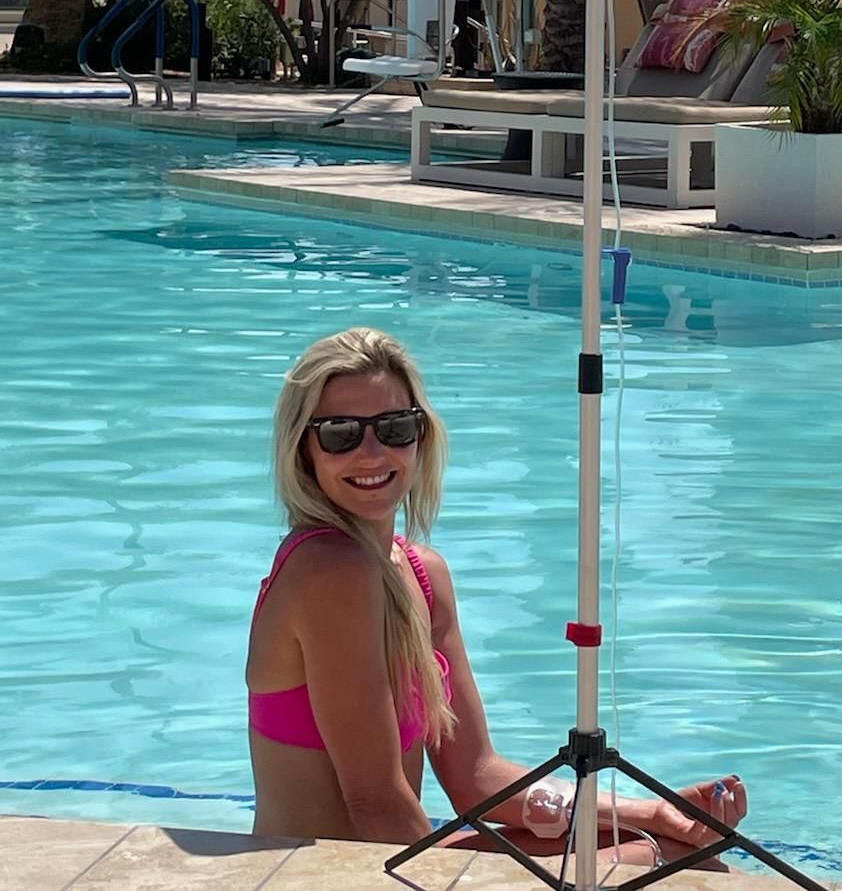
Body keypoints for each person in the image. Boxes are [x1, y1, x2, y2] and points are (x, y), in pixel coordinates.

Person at [247, 328, 747, 866]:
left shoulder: (420, 573)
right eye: (341, 433)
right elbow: (375, 803)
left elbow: (476, 775)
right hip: (320, 874)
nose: (372, 453)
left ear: (422, 437)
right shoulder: (328, 570)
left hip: (379, 856)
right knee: (667, 862)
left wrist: (653, 813)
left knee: (666, 845)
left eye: (395, 428)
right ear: (303, 450)